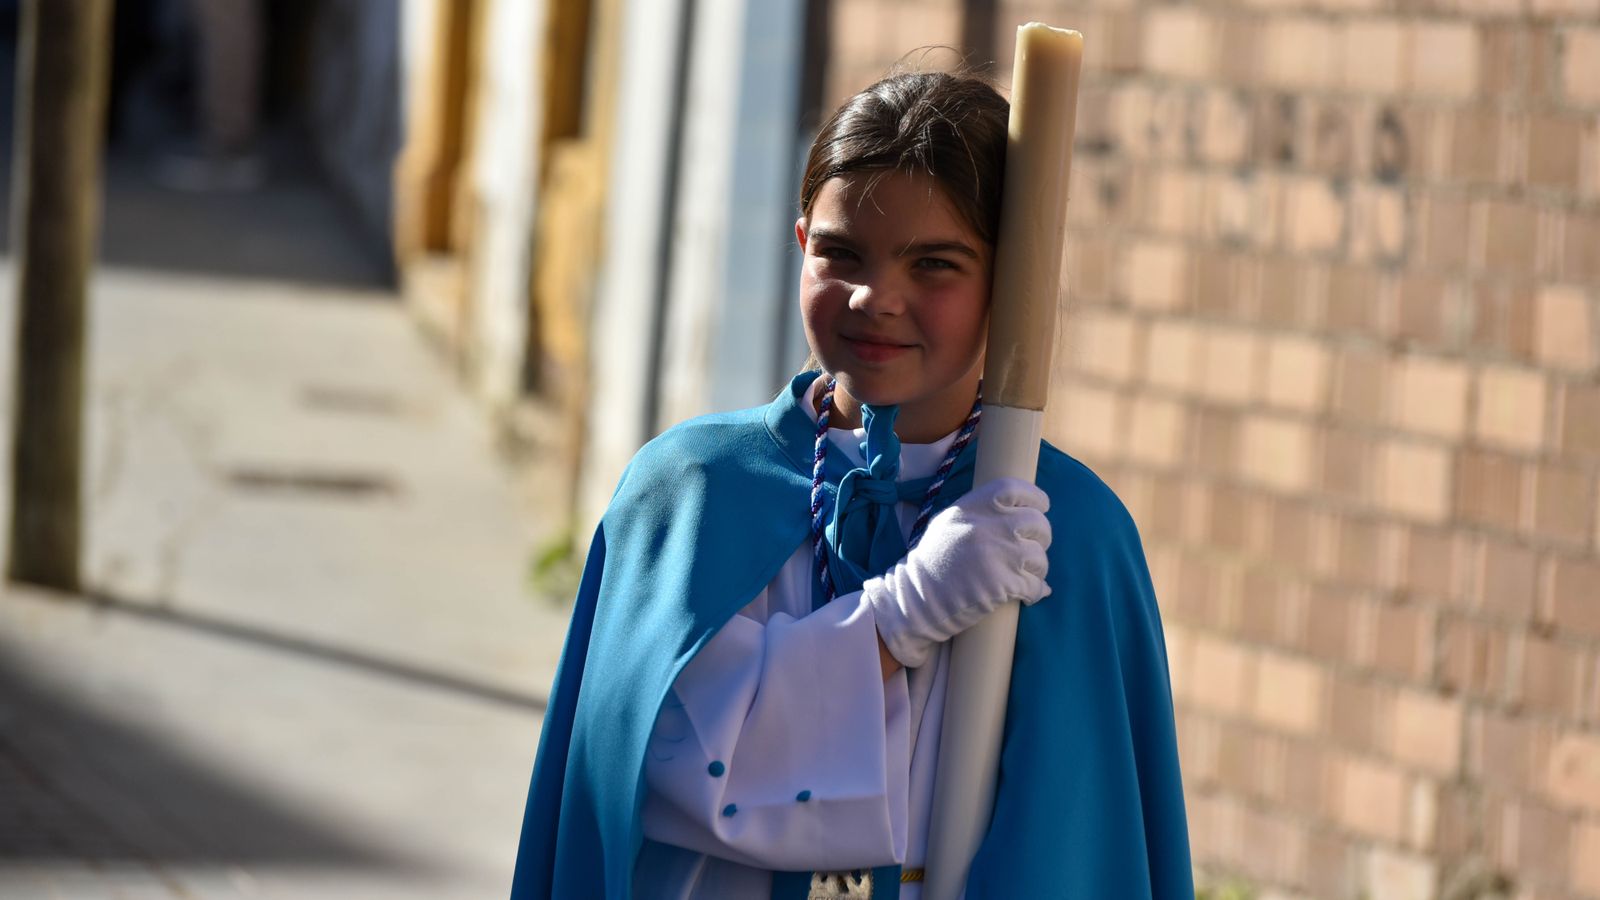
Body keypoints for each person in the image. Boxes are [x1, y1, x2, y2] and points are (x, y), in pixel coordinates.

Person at [511, 69, 1192, 899]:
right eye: (841, 253)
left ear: (1009, 286)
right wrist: (896, 620)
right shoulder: (688, 493)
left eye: (935, 265)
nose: (877, 299)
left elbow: (1083, 846)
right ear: (801, 244)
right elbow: (662, 764)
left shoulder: (1067, 531)